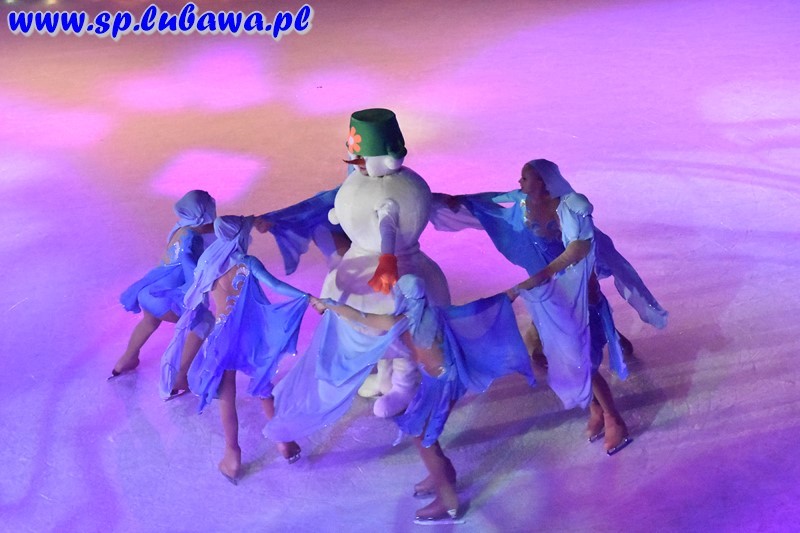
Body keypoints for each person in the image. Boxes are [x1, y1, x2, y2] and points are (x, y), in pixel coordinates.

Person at [271, 274, 534, 525]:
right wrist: (521, 287)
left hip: (442, 385)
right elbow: (489, 303)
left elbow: (364, 317)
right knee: (421, 432)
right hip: (443, 381)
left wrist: (331, 305)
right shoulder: (434, 314)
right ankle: (443, 473)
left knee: (423, 435)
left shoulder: (408, 320)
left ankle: (448, 498)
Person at [504, 159, 633, 455]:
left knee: (583, 360)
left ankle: (614, 417)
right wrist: (453, 202)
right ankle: (596, 409)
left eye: (525, 178)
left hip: (579, 292)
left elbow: (577, 250)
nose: (519, 182)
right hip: (552, 294)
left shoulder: (572, 208)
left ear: (543, 181)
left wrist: (537, 279)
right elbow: (496, 199)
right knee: (567, 357)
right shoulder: (524, 201)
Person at [178, 215, 312, 484]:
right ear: (240, 237)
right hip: (249, 336)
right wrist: (307, 296)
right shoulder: (248, 263)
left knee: (226, 396)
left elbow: (196, 292)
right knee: (263, 386)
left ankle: (232, 454)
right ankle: (283, 442)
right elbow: (275, 285)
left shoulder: (209, 262)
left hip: (222, 337)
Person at [111, 190, 216, 384]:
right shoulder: (193, 237)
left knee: (149, 321)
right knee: (204, 322)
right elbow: (189, 263)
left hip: (149, 290)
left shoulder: (180, 228)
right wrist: (196, 290)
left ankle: (126, 359)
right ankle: (181, 376)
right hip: (166, 296)